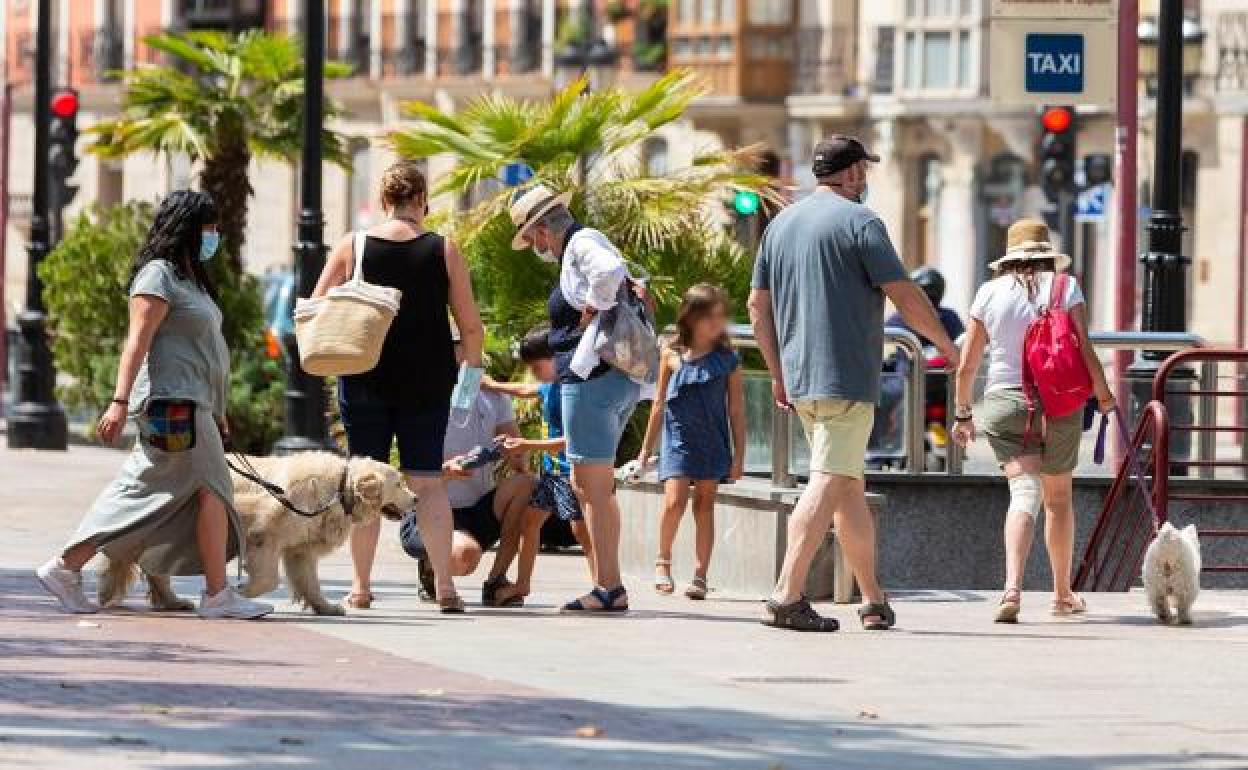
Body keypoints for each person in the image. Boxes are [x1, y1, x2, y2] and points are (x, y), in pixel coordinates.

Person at [748, 135, 959, 632]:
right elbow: (904, 294)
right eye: (863, 169)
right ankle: (786, 594)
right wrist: (945, 346)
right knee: (828, 481)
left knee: (846, 486)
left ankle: (872, 598)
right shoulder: (862, 222)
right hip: (845, 378)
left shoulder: (780, 224)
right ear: (852, 173)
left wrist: (778, 373)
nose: (865, 178)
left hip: (801, 381)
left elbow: (758, 306)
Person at [36, 190, 271, 620]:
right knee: (182, 491)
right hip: (172, 404)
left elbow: (204, 353)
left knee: (186, 492)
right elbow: (137, 341)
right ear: (188, 228)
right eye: (209, 227)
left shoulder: (188, 280)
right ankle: (68, 565)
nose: (215, 235)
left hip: (194, 404)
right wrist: (118, 401)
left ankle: (214, 592)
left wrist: (217, 411)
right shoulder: (157, 275)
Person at [313, 160, 485, 614]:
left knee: (366, 481)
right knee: (428, 484)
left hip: (364, 378)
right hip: (428, 383)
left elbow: (315, 304)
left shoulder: (355, 245)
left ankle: (360, 587)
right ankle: (446, 587)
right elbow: (471, 329)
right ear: (422, 202)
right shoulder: (444, 250)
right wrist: (466, 389)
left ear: (385, 201)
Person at [953, 219, 1114, 623]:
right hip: (1059, 404)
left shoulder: (988, 292)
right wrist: (1103, 392)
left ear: (1009, 257)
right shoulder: (1065, 287)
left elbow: (968, 364)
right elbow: (1085, 346)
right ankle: (1061, 594)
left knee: (1024, 494)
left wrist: (962, 413)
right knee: (1058, 502)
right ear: (1047, 254)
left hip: (1006, 403)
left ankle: (1012, 588)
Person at [508, 183, 642, 613]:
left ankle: (608, 586)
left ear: (543, 229)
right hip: (610, 380)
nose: (535, 247)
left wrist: (593, 309)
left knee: (590, 488)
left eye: (531, 239)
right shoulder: (581, 245)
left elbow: (609, 272)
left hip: (592, 382)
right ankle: (610, 582)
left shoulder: (582, 243)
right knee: (597, 487)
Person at [636, 284, 746, 600]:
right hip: (678, 440)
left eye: (720, 316)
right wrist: (645, 448)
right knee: (674, 501)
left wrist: (739, 456)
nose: (716, 323)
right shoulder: (670, 355)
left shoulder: (729, 361)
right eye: (708, 316)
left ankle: (700, 575)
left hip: (713, 440)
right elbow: (658, 403)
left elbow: (736, 411)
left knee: (705, 505)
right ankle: (663, 561)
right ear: (691, 317)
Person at [399, 367, 536, 607]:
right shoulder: (423, 393)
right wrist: (446, 472)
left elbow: (522, 463)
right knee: (465, 556)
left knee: (527, 484)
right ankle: (432, 566)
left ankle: (497, 580)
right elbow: (405, 479)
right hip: (430, 510)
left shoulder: (494, 395)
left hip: (478, 510)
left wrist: (510, 451)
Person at [482, 326, 596, 606]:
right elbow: (524, 390)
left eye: (536, 366)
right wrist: (493, 386)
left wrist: (526, 446)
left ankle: (603, 585)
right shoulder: (550, 386)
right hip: (551, 473)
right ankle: (522, 585)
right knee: (529, 523)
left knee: (582, 531)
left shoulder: (571, 390)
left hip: (569, 472)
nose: (533, 372)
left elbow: (571, 441)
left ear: (557, 357)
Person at [885, 267, 965, 347]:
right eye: (924, 293)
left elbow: (961, 345)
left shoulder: (949, 317)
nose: (928, 298)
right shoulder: (898, 320)